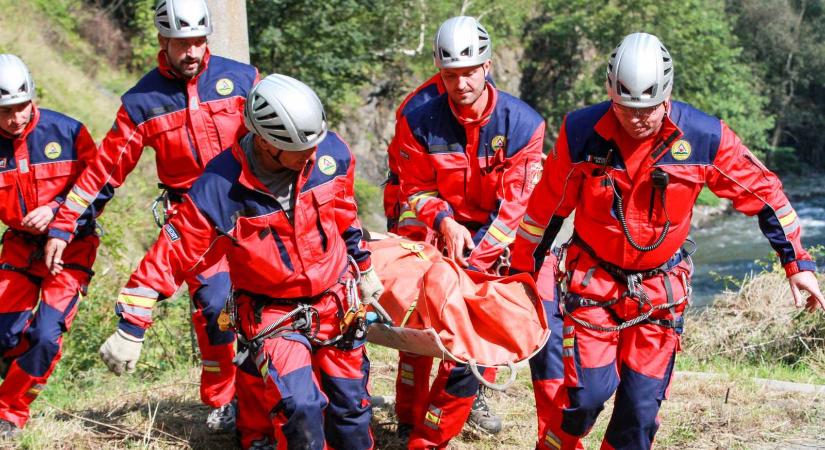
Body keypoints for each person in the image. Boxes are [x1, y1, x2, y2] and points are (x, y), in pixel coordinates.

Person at [509, 32, 825, 449]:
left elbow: (766, 195)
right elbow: (544, 212)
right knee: (585, 398)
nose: (638, 119)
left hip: (659, 294)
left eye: (650, 109)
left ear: (668, 94)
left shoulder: (703, 137)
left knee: (639, 418)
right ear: (609, 91)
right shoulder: (582, 133)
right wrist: (520, 276)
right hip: (594, 288)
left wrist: (797, 264)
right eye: (627, 108)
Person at [94, 73, 381, 450]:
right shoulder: (221, 186)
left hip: (336, 304)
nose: (311, 155)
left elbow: (345, 214)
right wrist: (132, 325)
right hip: (275, 315)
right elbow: (173, 251)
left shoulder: (331, 153)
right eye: (299, 150)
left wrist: (364, 267)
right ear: (265, 141)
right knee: (301, 409)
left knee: (351, 412)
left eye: (315, 144)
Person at [44, 0, 258, 431]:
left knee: (270, 301)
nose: (192, 52)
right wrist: (64, 224)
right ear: (162, 40)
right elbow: (105, 170)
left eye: (198, 41)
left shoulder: (242, 79)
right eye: (181, 44)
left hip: (252, 211)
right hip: (192, 221)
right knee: (217, 308)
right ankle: (223, 401)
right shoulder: (142, 102)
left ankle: (277, 391)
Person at [394, 16, 546, 449]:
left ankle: (456, 406)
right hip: (440, 226)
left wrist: (473, 266)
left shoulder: (523, 125)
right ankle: (408, 413)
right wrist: (443, 222)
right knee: (418, 324)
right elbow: (415, 188)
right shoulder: (419, 119)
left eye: (468, 73)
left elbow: (516, 208)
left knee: (479, 320)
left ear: (487, 67)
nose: (460, 84)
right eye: (450, 75)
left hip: (494, 236)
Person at [0, 54, 109, 438]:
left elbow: (102, 185)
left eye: (21, 107)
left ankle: (10, 413)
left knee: (46, 335)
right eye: (5, 111)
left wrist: (58, 210)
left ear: (33, 98)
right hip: (19, 248)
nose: (15, 118)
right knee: (6, 334)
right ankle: (17, 369)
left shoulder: (68, 132)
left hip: (72, 248)